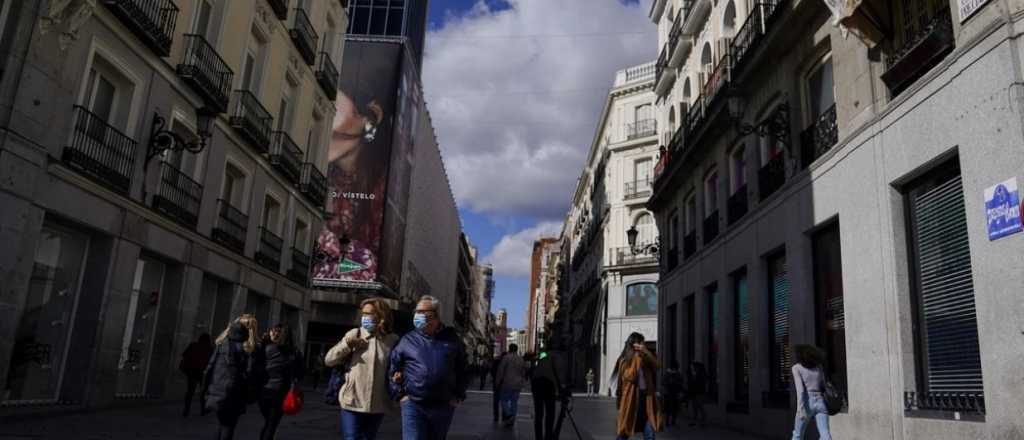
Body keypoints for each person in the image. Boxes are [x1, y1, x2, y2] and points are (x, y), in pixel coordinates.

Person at [388, 295, 469, 440]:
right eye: (417, 312)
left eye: (423, 312)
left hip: (443, 406)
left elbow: (462, 369)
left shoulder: (452, 339)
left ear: (435, 316)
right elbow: (393, 367)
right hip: (413, 405)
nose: (418, 315)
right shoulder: (407, 340)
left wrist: (457, 396)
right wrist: (400, 394)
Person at [326, 298, 399, 440]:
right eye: (363, 313)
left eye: (369, 314)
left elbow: (397, 366)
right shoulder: (355, 334)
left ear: (381, 316)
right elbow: (329, 360)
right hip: (352, 400)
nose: (364, 317)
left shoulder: (392, 340)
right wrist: (347, 346)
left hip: (378, 404)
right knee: (351, 437)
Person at [203, 314, 262, 440]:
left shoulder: (221, 343)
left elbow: (210, 367)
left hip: (216, 388)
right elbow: (251, 373)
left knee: (222, 425)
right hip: (235, 392)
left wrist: (206, 388)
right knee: (228, 427)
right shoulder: (250, 348)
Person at [258, 323, 305, 440]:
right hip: (280, 393)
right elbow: (300, 373)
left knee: (268, 422)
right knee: (271, 425)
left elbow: (257, 366)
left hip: (263, 391)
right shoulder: (295, 353)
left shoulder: (266, 349)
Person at [613, 333, 662, 440]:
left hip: (647, 400)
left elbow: (657, 366)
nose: (643, 345)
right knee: (624, 433)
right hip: (631, 401)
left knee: (650, 435)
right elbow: (631, 376)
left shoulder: (644, 357)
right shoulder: (624, 361)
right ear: (634, 344)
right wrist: (636, 357)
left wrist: (646, 352)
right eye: (641, 343)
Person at [791, 345, 832, 440]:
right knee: (825, 434)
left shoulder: (796, 368)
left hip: (806, 402)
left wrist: (800, 409)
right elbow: (823, 384)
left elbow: (800, 390)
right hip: (820, 401)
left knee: (797, 435)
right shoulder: (819, 367)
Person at [530, 348, 564, 440]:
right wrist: (559, 388)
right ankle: (548, 436)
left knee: (539, 413)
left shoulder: (544, 354)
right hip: (548, 383)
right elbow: (558, 372)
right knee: (550, 413)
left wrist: (535, 372)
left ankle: (538, 437)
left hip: (536, 382)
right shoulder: (556, 356)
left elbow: (534, 360)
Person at [180, 333, 213, 417]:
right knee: (203, 392)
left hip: (192, 370)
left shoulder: (193, 345)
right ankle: (203, 409)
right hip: (203, 372)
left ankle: (186, 409)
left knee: (190, 390)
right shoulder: (209, 348)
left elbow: (184, 355)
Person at [495, 343, 527, 428]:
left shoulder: (506, 358)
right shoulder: (521, 359)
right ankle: (512, 419)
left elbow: (500, 371)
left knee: (503, 400)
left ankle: (509, 415)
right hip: (518, 384)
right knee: (514, 402)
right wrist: (522, 382)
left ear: (509, 349)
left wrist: (497, 382)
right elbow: (523, 372)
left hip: (507, 383)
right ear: (516, 350)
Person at [662, 361, 684, 427]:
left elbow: (663, 382)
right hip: (672, 393)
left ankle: (668, 422)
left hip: (670, 393)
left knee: (670, 408)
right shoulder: (676, 374)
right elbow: (681, 383)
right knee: (673, 408)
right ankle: (671, 421)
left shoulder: (668, 374)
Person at [686, 361, 708, 427]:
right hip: (693, 392)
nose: (691, 367)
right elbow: (690, 383)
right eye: (691, 366)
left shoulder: (701, 374)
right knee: (694, 407)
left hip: (700, 392)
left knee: (700, 406)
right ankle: (694, 421)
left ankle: (703, 421)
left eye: (692, 366)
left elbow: (702, 383)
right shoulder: (692, 374)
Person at [491, 351, 505, 423]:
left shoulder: (496, 362)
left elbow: (492, 371)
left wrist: (494, 378)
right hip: (504, 385)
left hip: (497, 384)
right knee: (504, 401)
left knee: (496, 401)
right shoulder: (506, 363)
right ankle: (503, 416)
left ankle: (496, 416)